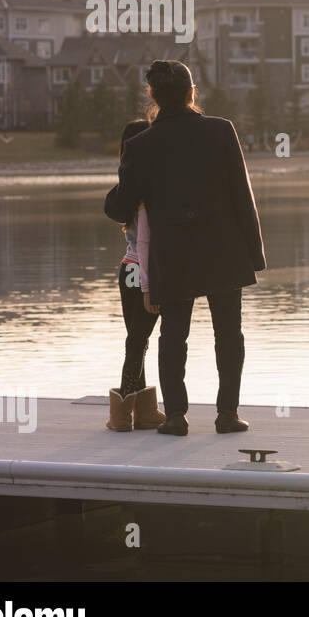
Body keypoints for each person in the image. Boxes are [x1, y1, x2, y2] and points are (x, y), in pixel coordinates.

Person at [104, 61, 266, 437]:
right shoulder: (221, 130)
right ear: (193, 93)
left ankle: (176, 416)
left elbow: (119, 207)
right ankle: (227, 415)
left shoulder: (141, 144)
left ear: (152, 96)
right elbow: (243, 196)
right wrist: (254, 254)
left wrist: (121, 186)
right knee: (229, 334)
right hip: (224, 251)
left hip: (172, 255)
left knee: (173, 335)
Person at [105, 118, 167, 432]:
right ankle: (122, 410)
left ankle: (142, 411)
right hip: (141, 272)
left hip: (127, 268)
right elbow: (145, 242)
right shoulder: (149, 189)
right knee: (137, 341)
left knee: (136, 340)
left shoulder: (128, 186)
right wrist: (149, 287)